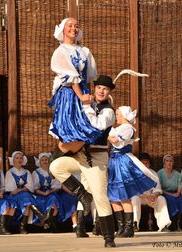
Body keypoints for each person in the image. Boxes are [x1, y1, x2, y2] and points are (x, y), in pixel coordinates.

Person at [50, 75, 116, 248]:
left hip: (96, 159)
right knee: (55, 166)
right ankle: (82, 195)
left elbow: (96, 126)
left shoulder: (108, 111)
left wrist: (86, 105)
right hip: (80, 156)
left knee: (101, 197)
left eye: (105, 89)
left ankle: (109, 237)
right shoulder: (89, 103)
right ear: (95, 88)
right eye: (99, 87)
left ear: (109, 92)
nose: (101, 91)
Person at [48, 17, 101, 153]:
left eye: (76, 26)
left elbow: (89, 76)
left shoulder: (85, 51)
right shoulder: (61, 51)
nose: (74, 29)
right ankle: (58, 160)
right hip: (69, 94)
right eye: (70, 26)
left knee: (84, 130)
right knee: (70, 131)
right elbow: (71, 77)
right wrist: (81, 96)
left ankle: (75, 160)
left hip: (82, 91)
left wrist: (90, 95)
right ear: (63, 29)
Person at [107, 106, 158, 237]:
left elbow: (115, 141)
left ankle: (129, 228)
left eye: (118, 114)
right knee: (113, 197)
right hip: (113, 162)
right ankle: (121, 227)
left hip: (122, 162)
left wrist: (105, 130)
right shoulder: (118, 128)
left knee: (123, 196)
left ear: (124, 115)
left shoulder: (128, 128)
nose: (116, 116)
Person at [5, 151, 47, 234]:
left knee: (27, 202)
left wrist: (22, 189)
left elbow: (30, 186)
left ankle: (23, 226)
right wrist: (24, 188)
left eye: (21, 158)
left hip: (25, 197)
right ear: (13, 160)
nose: (19, 160)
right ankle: (41, 217)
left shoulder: (27, 172)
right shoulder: (10, 173)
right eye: (17, 158)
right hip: (14, 197)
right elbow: (13, 191)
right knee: (27, 196)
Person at [131, 152, 172, 232]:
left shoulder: (153, 173)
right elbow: (134, 190)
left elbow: (158, 189)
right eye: (143, 163)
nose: (145, 165)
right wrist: (147, 197)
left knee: (161, 199)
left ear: (149, 164)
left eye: (147, 163)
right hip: (141, 197)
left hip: (151, 198)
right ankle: (134, 224)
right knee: (134, 198)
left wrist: (153, 196)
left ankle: (163, 226)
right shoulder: (134, 174)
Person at [157, 154, 182, 231]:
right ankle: (173, 223)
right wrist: (171, 194)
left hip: (176, 193)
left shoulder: (178, 174)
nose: (169, 163)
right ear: (164, 163)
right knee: (171, 200)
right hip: (164, 193)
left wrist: (177, 193)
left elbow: (179, 188)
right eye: (167, 161)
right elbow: (159, 188)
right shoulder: (159, 173)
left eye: (170, 161)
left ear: (173, 162)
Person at [32, 152, 61, 232]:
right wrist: (44, 193)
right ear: (39, 162)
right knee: (43, 202)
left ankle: (49, 222)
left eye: (46, 160)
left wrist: (50, 191)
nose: (45, 162)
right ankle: (50, 224)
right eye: (43, 160)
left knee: (54, 199)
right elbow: (35, 189)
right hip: (40, 194)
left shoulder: (52, 172)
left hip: (51, 193)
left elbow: (57, 186)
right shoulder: (36, 173)